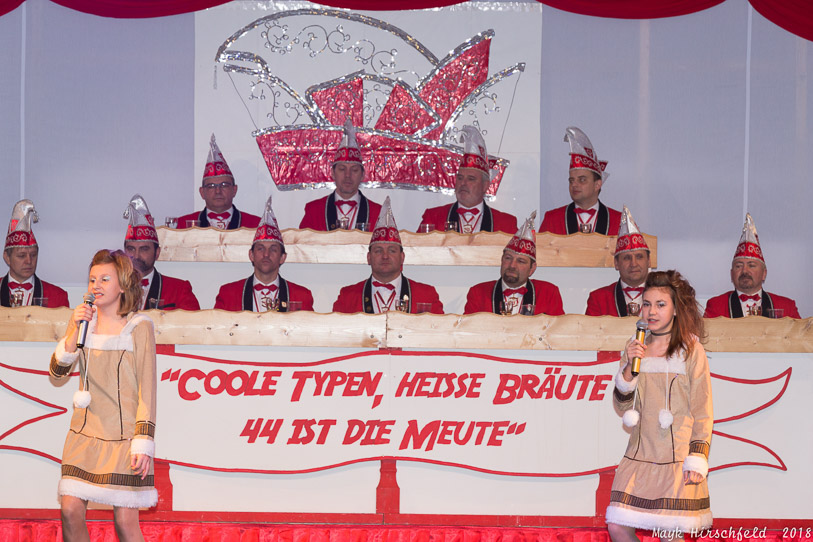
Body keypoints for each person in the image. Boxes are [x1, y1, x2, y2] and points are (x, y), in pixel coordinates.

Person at [48, 249, 156, 540]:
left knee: (124, 521)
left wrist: (143, 441)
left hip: (124, 439)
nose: (96, 286)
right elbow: (57, 372)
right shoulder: (82, 320)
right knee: (69, 510)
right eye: (92, 279)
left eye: (105, 279)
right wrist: (74, 330)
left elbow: (147, 389)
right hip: (83, 434)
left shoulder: (139, 326)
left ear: (122, 284)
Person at [606, 270, 712, 541]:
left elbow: (703, 410)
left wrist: (697, 456)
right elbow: (622, 406)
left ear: (676, 309)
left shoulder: (691, 350)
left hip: (676, 459)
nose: (651, 311)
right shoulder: (635, 346)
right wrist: (629, 368)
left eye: (660, 304)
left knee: (669, 534)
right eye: (646, 304)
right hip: (639, 454)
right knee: (617, 525)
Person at [333, 196, 443, 314]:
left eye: (392, 251)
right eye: (378, 251)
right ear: (369, 258)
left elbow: (439, 326)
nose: (385, 256)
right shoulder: (347, 297)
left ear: (402, 257)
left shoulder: (427, 295)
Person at [216, 196, 314, 312]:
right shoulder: (228, 294)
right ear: (251, 255)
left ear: (282, 257)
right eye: (260, 249)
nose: (266, 254)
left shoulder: (302, 296)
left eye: (273, 249)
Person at [418, 125, 517, 234]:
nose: (463, 183)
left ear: (485, 185)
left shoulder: (506, 224)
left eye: (471, 179)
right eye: (460, 178)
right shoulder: (433, 217)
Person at [464, 212, 564, 315]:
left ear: (532, 268)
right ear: (502, 260)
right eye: (508, 258)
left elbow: (559, 325)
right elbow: (467, 325)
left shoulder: (548, 293)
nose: (512, 265)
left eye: (521, 261)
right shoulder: (478, 293)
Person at [704, 213, 801, 319]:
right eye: (738, 266)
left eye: (751, 265)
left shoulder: (787, 307)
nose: (744, 271)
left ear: (764, 273)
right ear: (731, 274)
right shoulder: (716, 306)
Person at [299, 119, 382, 231]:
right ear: (332, 173)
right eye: (342, 169)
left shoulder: (378, 212)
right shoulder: (314, 210)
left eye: (354, 170)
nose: (348, 175)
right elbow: (302, 242)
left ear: (362, 175)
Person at [123, 194, 200, 311]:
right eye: (131, 249)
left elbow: (193, 322)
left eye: (144, 249)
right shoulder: (112, 287)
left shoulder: (179, 290)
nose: (136, 255)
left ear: (157, 252)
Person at [539, 127, 621, 235]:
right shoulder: (552, 219)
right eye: (571, 180)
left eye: (582, 180)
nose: (574, 184)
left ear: (597, 185)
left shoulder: (619, 221)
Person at [177, 134, 261, 230]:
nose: (218, 191)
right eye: (211, 186)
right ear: (202, 192)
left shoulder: (256, 225)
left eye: (224, 185)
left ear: (234, 190)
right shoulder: (182, 226)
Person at [2, 199, 69, 308]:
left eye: (33, 255)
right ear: (7, 257)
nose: (29, 261)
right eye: (21, 256)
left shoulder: (57, 296)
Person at [586, 206, 650, 317]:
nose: (634, 264)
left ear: (649, 261)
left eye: (639, 257)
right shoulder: (598, 299)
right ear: (616, 263)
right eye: (627, 258)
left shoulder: (664, 296)